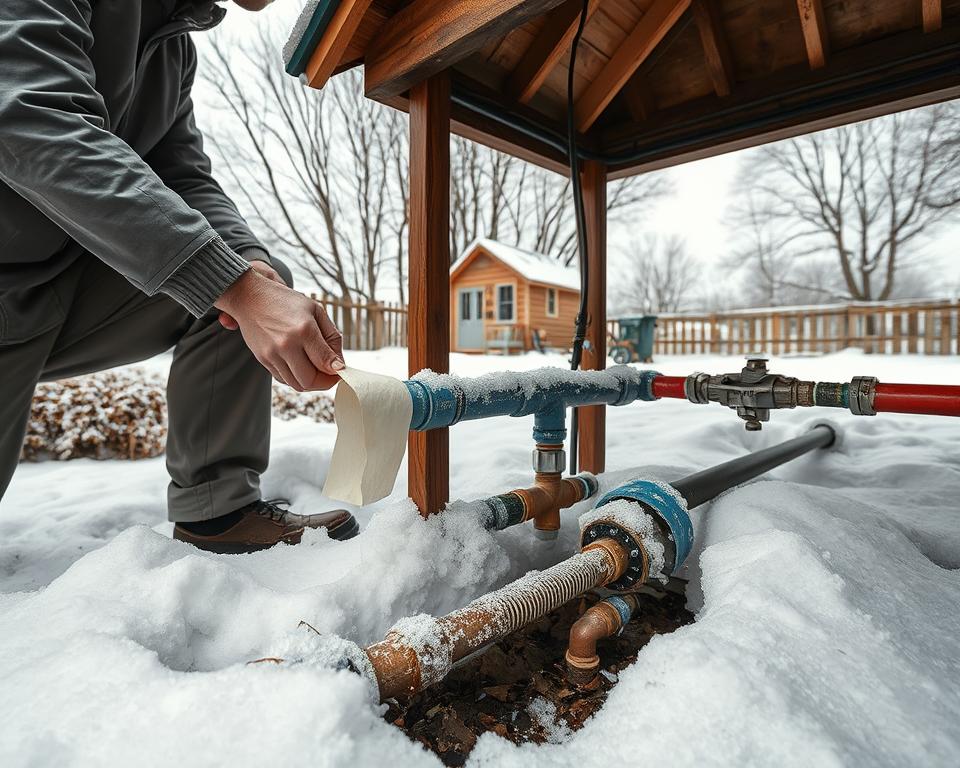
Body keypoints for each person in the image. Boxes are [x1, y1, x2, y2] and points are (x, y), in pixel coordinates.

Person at [0, 0, 359, 553]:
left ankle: (217, 514)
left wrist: (252, 278)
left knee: (248, 284)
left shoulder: (172, 47)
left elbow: (183, 175)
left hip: (60, 285)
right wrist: (234, 286)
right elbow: (31, 121)